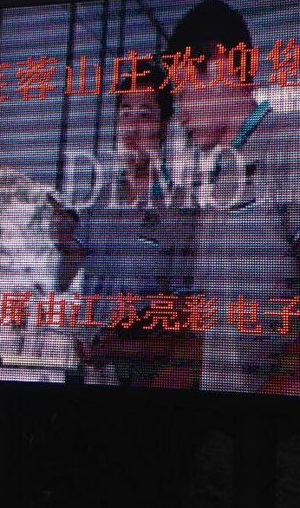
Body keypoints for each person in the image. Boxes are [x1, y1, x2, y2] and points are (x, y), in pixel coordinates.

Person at [165, 0, 300, 398]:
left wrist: (266, 413)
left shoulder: (298, 137)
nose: (180, 112)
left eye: (183, 89)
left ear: (221, 66)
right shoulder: (215, 180)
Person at [51, 61, 200, 388]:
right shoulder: (97, 202)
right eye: (125, 113)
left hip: (148, 378)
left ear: (164, 126)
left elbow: (185, 317)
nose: (132, 127)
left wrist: (119, 346)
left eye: (145, 114)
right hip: (91, 371)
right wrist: (64, 243)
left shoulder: (181, 210)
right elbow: (65, 280)